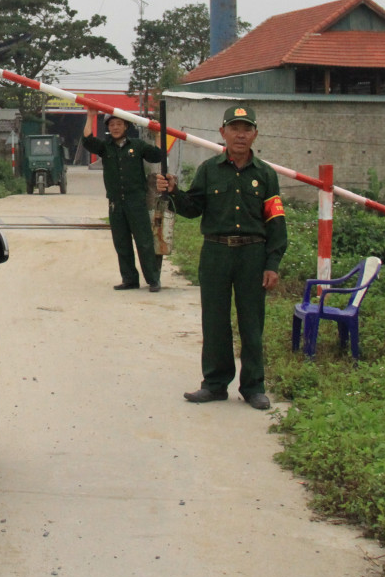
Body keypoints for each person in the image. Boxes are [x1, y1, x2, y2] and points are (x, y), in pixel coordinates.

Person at [157, 105, 286, 409]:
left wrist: (272, 263)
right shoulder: (209, 170)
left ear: (255, 134)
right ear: (222, 133)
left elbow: (276, 223)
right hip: (215, 252)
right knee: (214, 321)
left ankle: (253, 387)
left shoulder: (266, 175)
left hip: (252, 255)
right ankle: (214, 384)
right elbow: (192, 208)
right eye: (234, 128)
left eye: (246, 129)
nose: (240, 135)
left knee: (251, 322)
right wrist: (174, 191)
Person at [82, 113, 165, 292]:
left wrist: (157, 133)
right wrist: (90, 114)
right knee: (122, 243)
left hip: (136, 202)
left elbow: (157, 155)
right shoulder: (105, 147)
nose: (115, 127)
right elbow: (87, 140)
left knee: (144, 242)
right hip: (115, 203)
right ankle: (129, 279)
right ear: (108, 128)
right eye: (112, 124)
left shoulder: (137, 145)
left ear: (126, 126)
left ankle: (153, 280)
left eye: (119, 124)